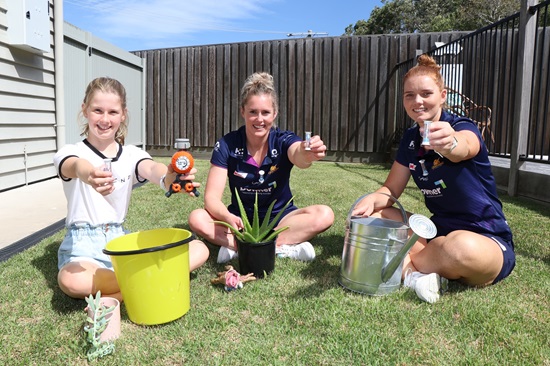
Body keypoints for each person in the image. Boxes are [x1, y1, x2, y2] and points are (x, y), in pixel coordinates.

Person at [352, 54, 515, 303]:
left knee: (458, 249)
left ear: (443, 95)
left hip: (485, 238)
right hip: (436, 232)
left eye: (426, 94)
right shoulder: (410, 139)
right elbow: (391, 188)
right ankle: (417, 274)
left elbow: (465, 148)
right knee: (371, 219)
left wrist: (449, 143)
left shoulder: (462, 126)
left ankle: (406, 267)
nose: (417, 101)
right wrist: (372, 201)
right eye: (409, 95)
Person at [53, 77, 209, 302]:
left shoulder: (131, 154)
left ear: (123, 114)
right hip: (82, 245)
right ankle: (144, 282)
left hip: (120, 241)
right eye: (98, 110)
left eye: (113, 112)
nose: (105, 119)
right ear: (85, 110)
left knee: (199, 249)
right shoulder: (70, 151)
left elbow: (154, 170)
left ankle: (123, 289)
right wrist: (90, 175)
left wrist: (172, 176)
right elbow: (74, 166)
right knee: (71, 280)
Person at [188, 72, 334, 263]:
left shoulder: (283, 139)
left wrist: (307, 154)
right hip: (240, 221)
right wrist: (227, 217)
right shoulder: (227, 144)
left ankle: (240, 247)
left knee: (324, 214)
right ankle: (279, 248)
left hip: (281, 219)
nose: (259, 119)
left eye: (265, 112)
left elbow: (299, 156)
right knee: (197, 217)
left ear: (275, 113)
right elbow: (211, 198)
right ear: (243, 111)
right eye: (253, 112)